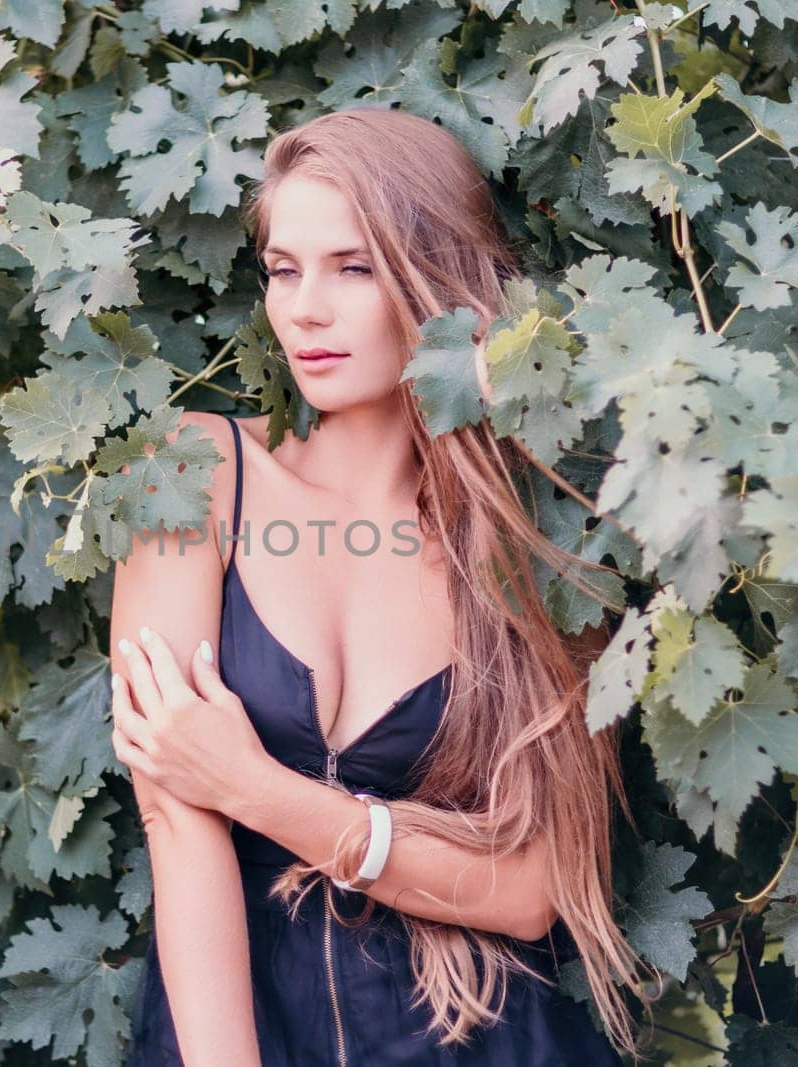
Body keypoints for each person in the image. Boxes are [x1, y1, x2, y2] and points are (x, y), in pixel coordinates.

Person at [107, 106, 655, 1065]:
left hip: (479, 1034)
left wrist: (256, 787)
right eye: (284, 269)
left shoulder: (530, 540)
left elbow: (529, 894)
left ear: (435, 283)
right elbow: (175, 815)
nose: (304, 308)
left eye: (352, 267)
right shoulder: (191, 468)